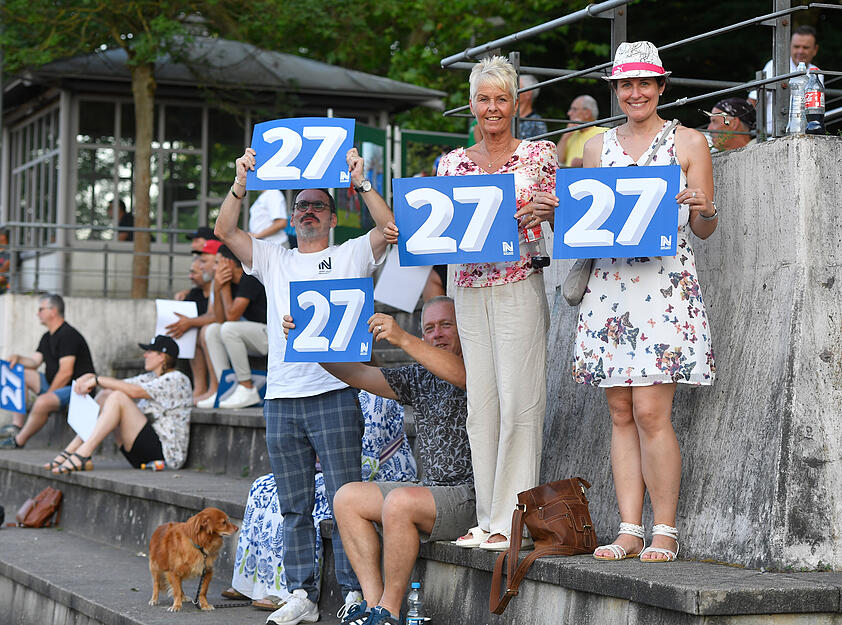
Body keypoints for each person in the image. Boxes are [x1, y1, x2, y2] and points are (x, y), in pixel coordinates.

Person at [384, 56, 557, 553]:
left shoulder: (540, 155)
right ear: (471, 105)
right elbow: (437, 232)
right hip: (467, 287)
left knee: (520, 401)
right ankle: (486, 517)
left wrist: (549, 211)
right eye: (484, 99)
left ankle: (512, 519)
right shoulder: (451, 163)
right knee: (481, 404)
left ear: (516, 102)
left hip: (519, 281)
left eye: (501, 98)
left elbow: (561, 224)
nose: (493, 108)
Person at [214, 145, 392, 624]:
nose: (307, 211)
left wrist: (363, 182)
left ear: (334, 217)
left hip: (335, 393)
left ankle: (356, 592)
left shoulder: (352, 252)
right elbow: (224, 231)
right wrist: (240, 182)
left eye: (317, 205)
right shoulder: (274, 259)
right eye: (300, 206)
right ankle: (302, 593)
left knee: (346, 497)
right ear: (291, 217)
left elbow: (391, 229)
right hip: (281, 397)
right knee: (293, 505)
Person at [572, 41, 717, 563]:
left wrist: (704, 207)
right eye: (625, 84)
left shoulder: (689, 142)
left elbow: (704, 229)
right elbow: (586, 227)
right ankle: (629, 527)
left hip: (664, 287)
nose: (635, 93)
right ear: (616, 89)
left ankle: (665, 529)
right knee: (620, 411)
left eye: (644, 84)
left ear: (660, 87)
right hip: (610, 289)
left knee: (653, 412)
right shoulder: (595, 148)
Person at [317, 296, 472, 625]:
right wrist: (312, 343)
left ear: (465, 328)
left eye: (446, 325)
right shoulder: (420, 376)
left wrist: (402, 337)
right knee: (347, 498)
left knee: (400, 502)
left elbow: (460, 376)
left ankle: (390, 611)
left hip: (469, 497)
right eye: (429, 328)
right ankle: (374, 606)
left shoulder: (477, 362)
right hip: (428, 491)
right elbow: (359, 374)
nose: (437, 333)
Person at [226, 389, 417, 611]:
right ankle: (256, 583)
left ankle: (345, 592)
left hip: (381, 474)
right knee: (263, 487)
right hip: (326, 463)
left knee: (319, 499)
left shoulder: (373, 393)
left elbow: (368, 459)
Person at [44, 335, 191, 473]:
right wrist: (91, 377)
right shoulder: (151, 377)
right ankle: (73, 450)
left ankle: (83, 453)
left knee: (118, 397)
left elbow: (133, 392)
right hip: (142, 453)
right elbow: (117, 384)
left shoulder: (177, 379)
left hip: (165, 456)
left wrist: (97, 380)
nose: (145, 355)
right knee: (107, 394)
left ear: (162, 357)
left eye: (150, 351)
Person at [0, 294, 96, 450]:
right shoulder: (46, 337)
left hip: (78, 389)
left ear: (53, 311)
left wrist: (48, 394)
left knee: (42, 402)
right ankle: (16, 425)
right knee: (18, 373)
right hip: (56, 385)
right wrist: (18, 358)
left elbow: (66, 372)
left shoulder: (68, 335)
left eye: (41, 309)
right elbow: (34, 362)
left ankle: (18, 441)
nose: (38, 313)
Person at [196, 244, 268, 409]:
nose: (213, 267)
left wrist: (224, 287)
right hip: (251, 335)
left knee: (229, 328)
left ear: (227, 263)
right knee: (212, 330)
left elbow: (232, 317)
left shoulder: (249, 278)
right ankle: (226, 388)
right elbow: (220, 320)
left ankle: (246, 388)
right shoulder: (228, 282)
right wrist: (218, 287)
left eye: (216, 262)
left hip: (270, 335)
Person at [748, 25, 823, 136]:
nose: (800, 51)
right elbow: (753, 101)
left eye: (805, 47)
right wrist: (755, 131)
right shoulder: (775, 65)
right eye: (796, 46)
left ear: (815, 49)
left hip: (804, 133)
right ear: (789, 47)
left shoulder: (817, 72)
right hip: (770, 135)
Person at [167, 256, 218, 401]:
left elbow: (218, 316)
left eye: (194, 272)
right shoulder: (193, 294)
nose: (190, 276)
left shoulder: (219, 289)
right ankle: (198, 388)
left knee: (201, 331)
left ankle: (209, 388)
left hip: (216, 334)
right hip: (196, 342)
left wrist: (191, 322)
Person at [557, 95, 607, 167]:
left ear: (587, 113)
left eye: (574, 109)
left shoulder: (604, 132)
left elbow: (607, 159)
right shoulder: (571, 134)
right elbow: (558, 161)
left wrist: (582, 162)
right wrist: (565, 136)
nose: (569, 113)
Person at [516, 74, 548, 139]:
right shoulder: (506, 116)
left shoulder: (537, 124)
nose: (511, 91)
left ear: (527, 93)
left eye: (517, 88)